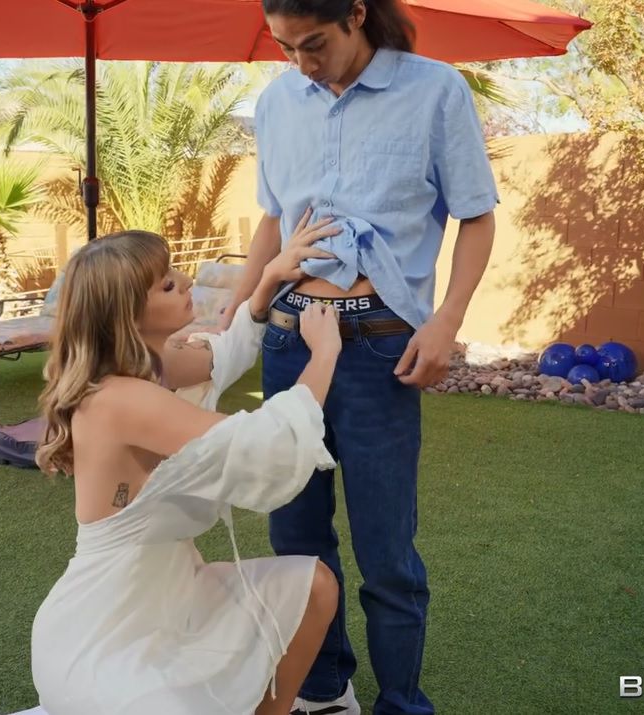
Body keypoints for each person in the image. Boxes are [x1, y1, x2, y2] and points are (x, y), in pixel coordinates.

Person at [222, 1, 499, 713]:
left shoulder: (435, 90)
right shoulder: (277, 103)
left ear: (356, 13)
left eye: (313, 43)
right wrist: (240, 304)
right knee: (295, 539)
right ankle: (324, 690)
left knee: (387, 551)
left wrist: (446, 321)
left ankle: (401, 702)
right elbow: (274, 219)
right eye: (285, 47)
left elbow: (476, 213)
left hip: (381, 346)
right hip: (289, 340)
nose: (301, 64)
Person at [31, 218, 356, 715]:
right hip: (106, 634)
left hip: (175, 591)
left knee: (314, 587)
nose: (184, 281)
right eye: (166, 284)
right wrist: (326, 352)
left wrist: (268, 278)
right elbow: (262, 443)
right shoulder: (121, 399)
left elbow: (224, 353)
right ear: (127, 315)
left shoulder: (152, 365)